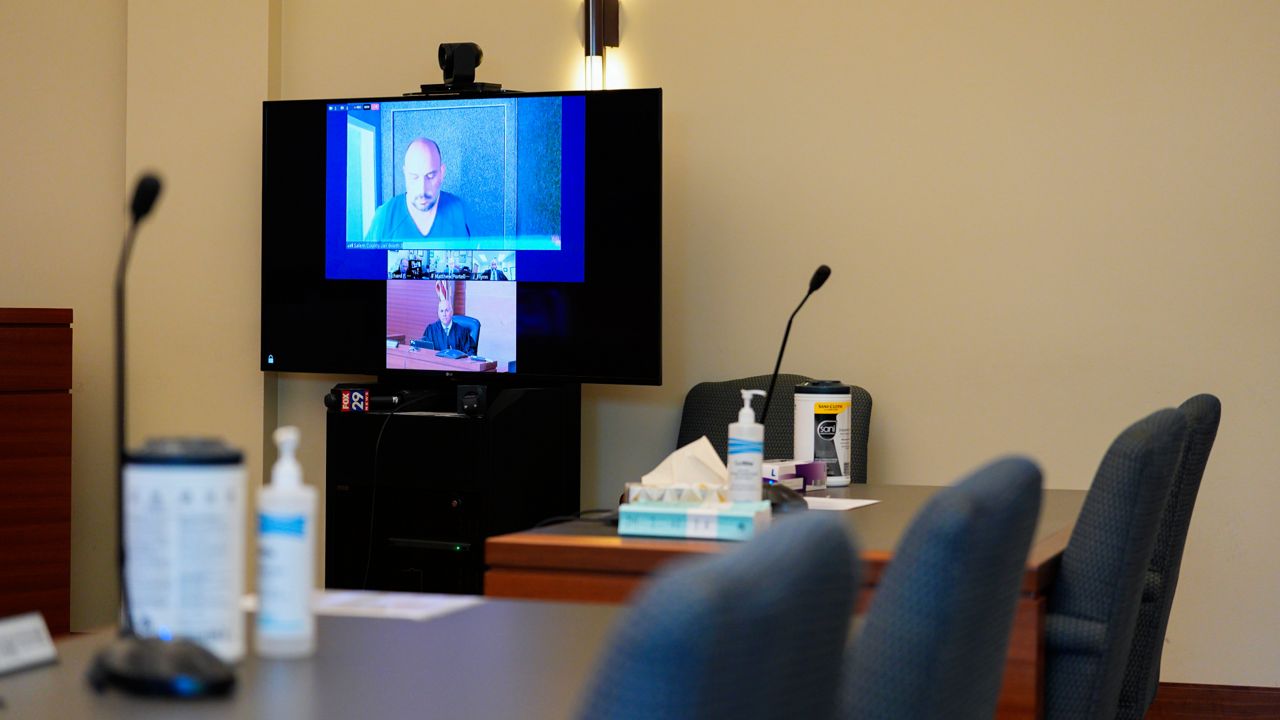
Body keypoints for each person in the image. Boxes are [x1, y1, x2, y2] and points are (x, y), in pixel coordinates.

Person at [363, 138, 470, 241]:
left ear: (442, 173)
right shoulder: (384, 217)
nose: (422, 190)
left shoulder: (460, 212)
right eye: (414, 177)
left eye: (430, 176)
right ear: (405, 174)